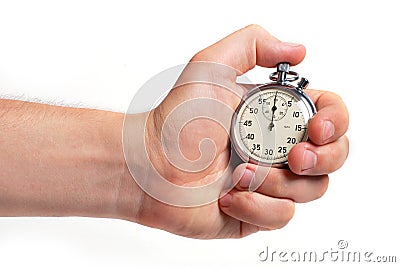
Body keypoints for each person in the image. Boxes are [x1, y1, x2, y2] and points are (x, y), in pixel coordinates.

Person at [0, 25, 349, 239]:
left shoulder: (298, 110)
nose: (271, 122)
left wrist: (149, 167)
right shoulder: (263, 101)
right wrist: (146, 160)